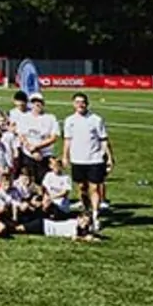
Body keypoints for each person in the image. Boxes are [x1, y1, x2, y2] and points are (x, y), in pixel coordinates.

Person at [61, 92, 113, 235]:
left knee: (94, 187)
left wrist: (109, 157)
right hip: (77, 159)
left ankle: (95, 215)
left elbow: (103, 139)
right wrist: (65, 156)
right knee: (82, 187)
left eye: (83, 102)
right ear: (73, 104)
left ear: (87, 104)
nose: (80, 104)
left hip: (95, 159)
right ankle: (86, 210)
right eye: (77, 102)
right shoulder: (69, 120)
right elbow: (67, 140)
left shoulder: (96, 119)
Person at [17, 93, 60, 180]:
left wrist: (36, 147)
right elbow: (22, 136)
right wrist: (32, 151)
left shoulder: (51, 118)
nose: (37, 104)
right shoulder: (24, 117)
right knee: (29, 181)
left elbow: (53, 138)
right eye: (34, 102)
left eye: (39, 102)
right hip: (28, 155)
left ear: (43, 103)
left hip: (45, 156)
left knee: (44, 182)